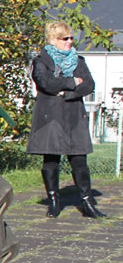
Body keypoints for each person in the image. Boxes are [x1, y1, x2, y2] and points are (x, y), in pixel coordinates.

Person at [26, 20, 105, 218]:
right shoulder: (41, 60)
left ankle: (87, 202)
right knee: (51, 158)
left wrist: (67, 92)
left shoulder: (78, 60)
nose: (70, 41)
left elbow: (88, 85)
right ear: (54, 40)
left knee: (79, 159)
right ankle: (54, 201)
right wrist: (72, 81)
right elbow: (45, 83)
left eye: (71, 38)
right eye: (65, 38)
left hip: (73, 114)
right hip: (50, 115)